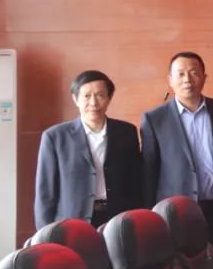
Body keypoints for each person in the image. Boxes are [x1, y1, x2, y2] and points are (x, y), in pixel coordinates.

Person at [140, 51, 213, 263]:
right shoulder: (154, 119)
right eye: (181, 74)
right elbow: (149, 172)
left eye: (194, 73)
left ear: (204, 77)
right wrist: (150, 216)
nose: (187, 79)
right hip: (175, 213)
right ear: (170, 80)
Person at [35, 70, 142, 229]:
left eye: (100, 95)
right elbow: (45, 193)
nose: (93, 102)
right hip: (71, 222)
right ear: (75, 99)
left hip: (117, 220)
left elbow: (136, 181)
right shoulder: (55, 137)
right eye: (86, 96)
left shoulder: (126, 132)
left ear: (109, 98)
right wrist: (44, 233)